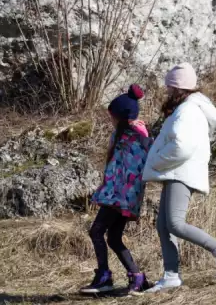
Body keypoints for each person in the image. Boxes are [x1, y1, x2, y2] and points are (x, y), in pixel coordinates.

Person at [142, 62, 216, 293]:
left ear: (178, 88)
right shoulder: (188, 107)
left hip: (181, 172)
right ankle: (171, 276)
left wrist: (156, 161)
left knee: (175, 223)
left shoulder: (187, 110)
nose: (166, 92)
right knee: (164, 225)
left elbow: (182, 147)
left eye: (169, 87)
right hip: (177, 171)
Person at [80, 84, 153, 295]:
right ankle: (137, 277)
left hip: (119, 195)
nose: (111, 120)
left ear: (121, 116)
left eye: (113, 116)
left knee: (96, 231)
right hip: (124, 196)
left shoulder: (133, 136)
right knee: (112, 237)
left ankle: (104, 276)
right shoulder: (127, 135)